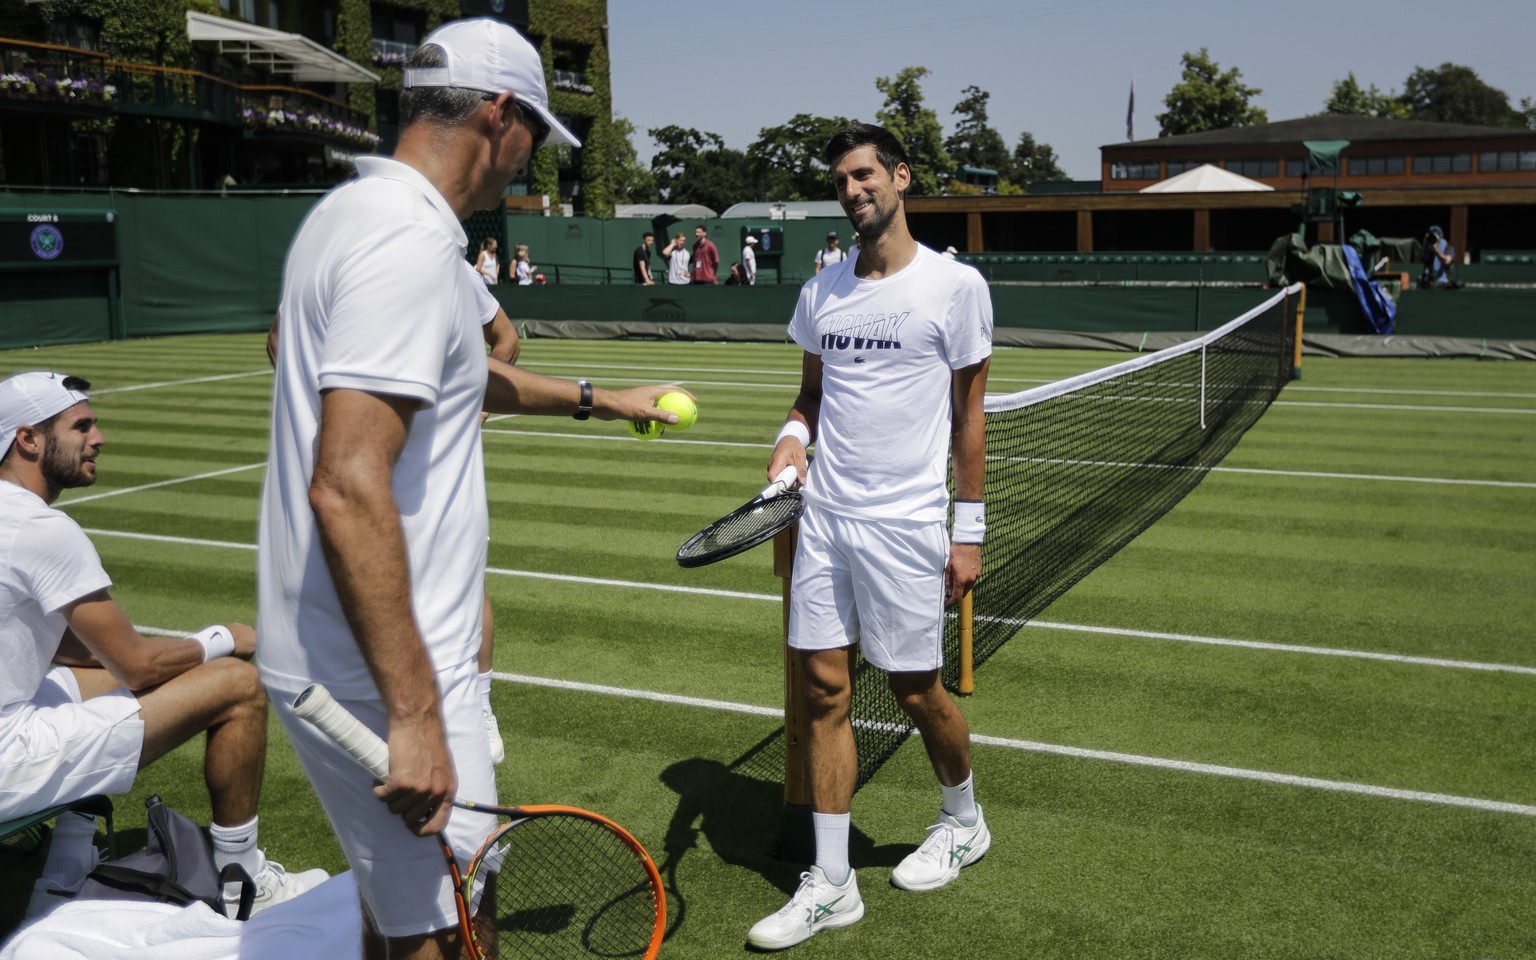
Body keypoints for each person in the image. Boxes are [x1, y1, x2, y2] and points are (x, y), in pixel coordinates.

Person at [257, 18, 685, 960]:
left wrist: (601, 399)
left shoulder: (366, 222)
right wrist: (413, 718)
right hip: (378, 674)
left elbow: (460, 374)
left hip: (384, 651)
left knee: (441, 902)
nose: (532, 162)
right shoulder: (405, 244)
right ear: (500, 115)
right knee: (437, 938)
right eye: (535, 131)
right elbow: (347, 483)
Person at [748, 123, 994, 952]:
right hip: (825, 521)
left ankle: (963, 819)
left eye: (864, 176)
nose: (852, 191)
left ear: (900, 177)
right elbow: (809, 396)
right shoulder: (822, 291)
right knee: (822, 691)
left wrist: (970, 535)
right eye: (841, 181)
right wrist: (790, 436)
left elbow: (970, 418)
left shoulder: (955, 287)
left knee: (917, 690)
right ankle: (832, 882)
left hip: (907, 525)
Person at [0, 371, 328, 921]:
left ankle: (64, 867)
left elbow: (81, 656)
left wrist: (173, 663)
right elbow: (136, 666)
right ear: (28, 439)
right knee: (239, 687)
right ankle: (240, 879)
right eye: (81, 425)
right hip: (7, 763)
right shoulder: (42, 529)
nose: (98, 437)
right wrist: (224, 640)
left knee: (100, 685)